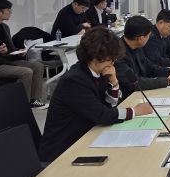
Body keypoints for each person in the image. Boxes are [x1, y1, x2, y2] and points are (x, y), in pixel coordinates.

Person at [39, 27, 153, 163]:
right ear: (95, 57)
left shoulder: (96, 71)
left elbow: (110, 105)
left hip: (87, 136)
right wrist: (135, 111)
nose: (112, 63)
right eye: (110, 58)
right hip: (63, 152)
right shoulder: (74, 80)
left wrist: (114, 83)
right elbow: (103, 115)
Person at [0, 0, 47, 108]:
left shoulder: (5, 27)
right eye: (8, 10)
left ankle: (34, 99)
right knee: (26, 72)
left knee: (38, 66)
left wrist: (19, 51)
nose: (11, 12)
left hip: (8, 60)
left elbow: (10, 49)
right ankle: (22, 104)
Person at [115, 16, 170, 98]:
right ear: (140, 38)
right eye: (148, 35)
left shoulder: (137, 46)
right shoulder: (118, 54)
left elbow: (148, 66)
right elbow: (134, 83)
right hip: (129, 97)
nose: (149, 38)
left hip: (142, 93)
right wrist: (168, 81)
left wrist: (169, 71)